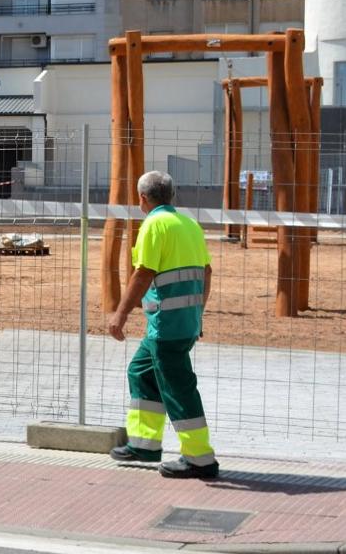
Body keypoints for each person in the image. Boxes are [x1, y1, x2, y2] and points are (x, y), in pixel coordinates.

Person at [107, 170, 218, 479]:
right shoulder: (189, 224)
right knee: (141, 370)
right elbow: (206, 272)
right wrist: (198, 315)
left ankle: (200, 458)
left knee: (178, 389)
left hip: (166, 327)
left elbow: (143, 273)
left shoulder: (154, 225)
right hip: (181, 323)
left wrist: (120, 314)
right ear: (171, 195)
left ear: (142, 198)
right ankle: (144, 444)